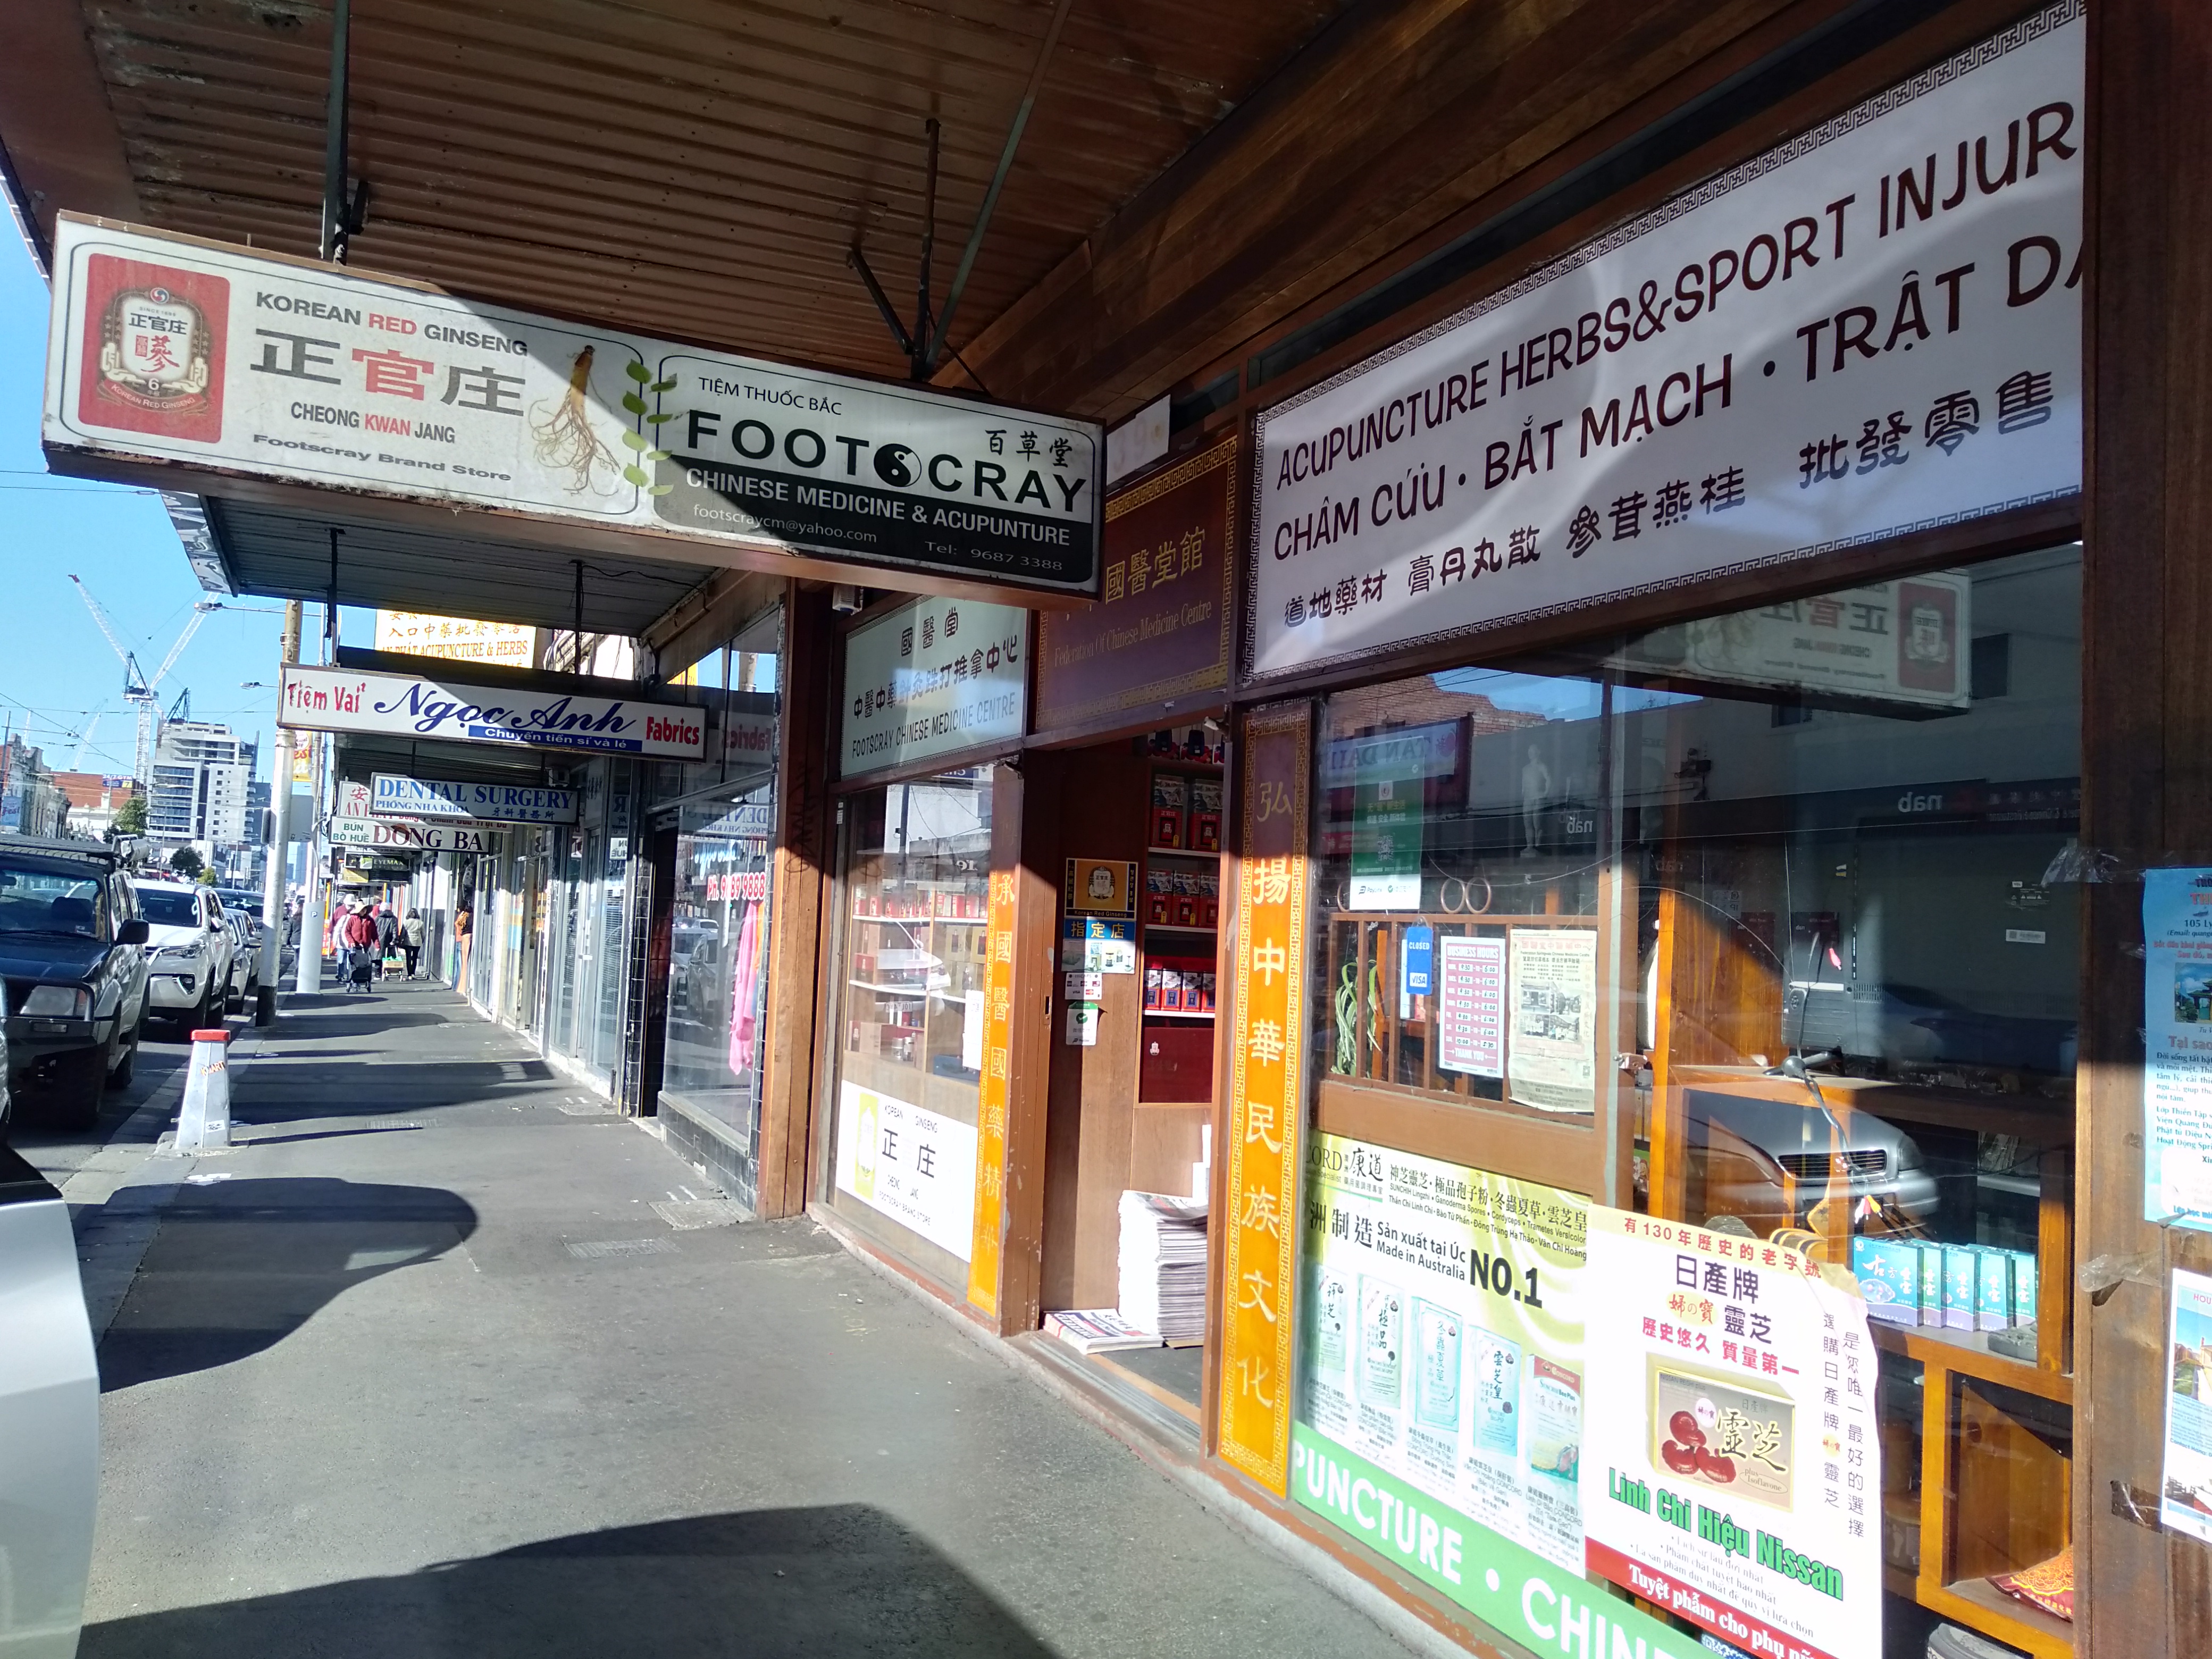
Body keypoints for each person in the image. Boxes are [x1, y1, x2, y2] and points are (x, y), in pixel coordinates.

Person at [341, 902, 378, 992]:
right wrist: (351, 941)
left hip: (365, 946)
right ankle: (355, 982)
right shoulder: (352, 920)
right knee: (354, 965)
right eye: (362, 910)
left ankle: (362, 980)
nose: (363, 911)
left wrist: (377, 944)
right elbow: (347, 932)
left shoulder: (370, 921)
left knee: (364, 964)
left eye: (365, 909)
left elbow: (374, 934)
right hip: (354, 947)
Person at [373, 902, 398, 981]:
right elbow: (395, 931)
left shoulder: (377, 918)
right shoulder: (394, 919)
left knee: (378, 957)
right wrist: (394, 940)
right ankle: (387, 972)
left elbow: (373, 930)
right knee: (389, 957)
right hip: (389, 940)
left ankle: (378, 974)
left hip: (379, 940)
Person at [400, 908, 425, 979]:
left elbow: (403, 933)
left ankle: (409, 974)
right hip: (417, 942)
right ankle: (413, 973)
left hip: (408, 942)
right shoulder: (420, 923)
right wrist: (421, 941)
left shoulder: (406, 923)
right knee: (415, 958)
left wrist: (400, 941)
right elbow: (423, 934)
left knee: (408, 958)